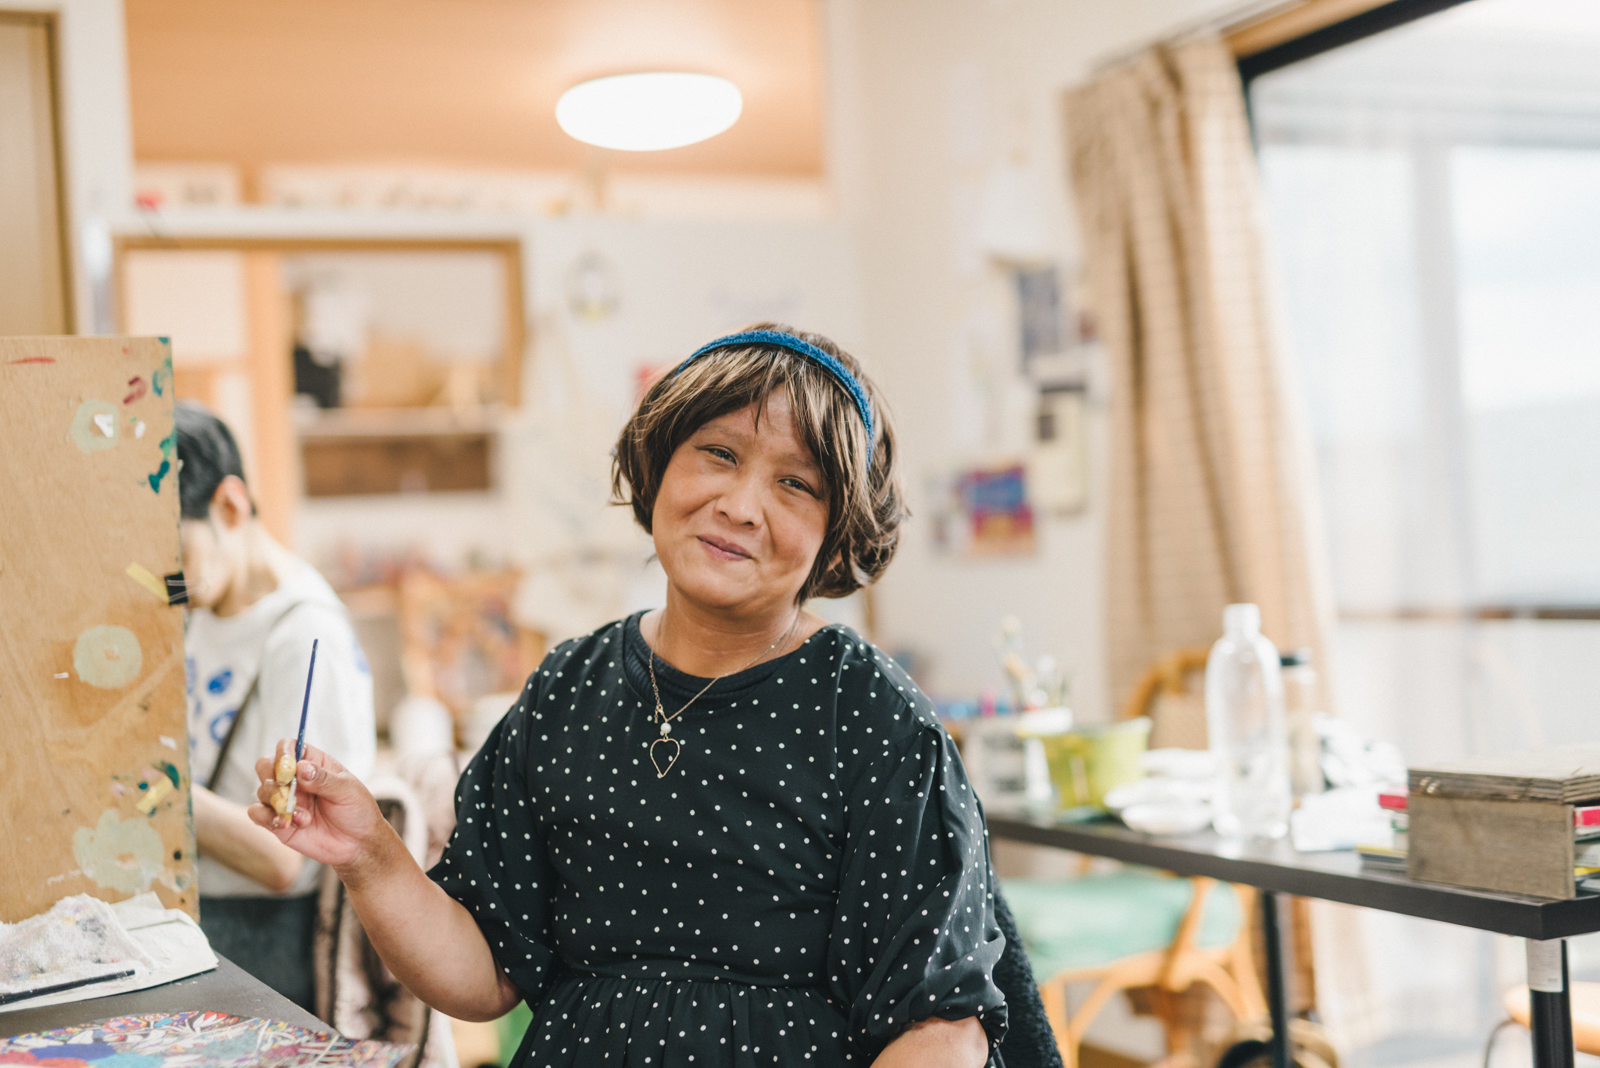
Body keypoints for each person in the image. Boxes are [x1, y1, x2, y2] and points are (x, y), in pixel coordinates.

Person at [250, 326, 1061, 1066]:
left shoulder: (872, 717)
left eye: (796, 484)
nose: (741, 506)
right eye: (718, 454)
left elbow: (943, 1031)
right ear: (661, 462)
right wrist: (370, 857)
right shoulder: (567, 689)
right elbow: (482, 972)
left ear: (835, 533)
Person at [176, 401, 376, 1011]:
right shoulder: (203, 609)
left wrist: (152, 790)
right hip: (195, 922)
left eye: (169, 544)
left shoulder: (305, 636)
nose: (159, 573)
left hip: (265, 946)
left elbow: (287, 854)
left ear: (230, 507)